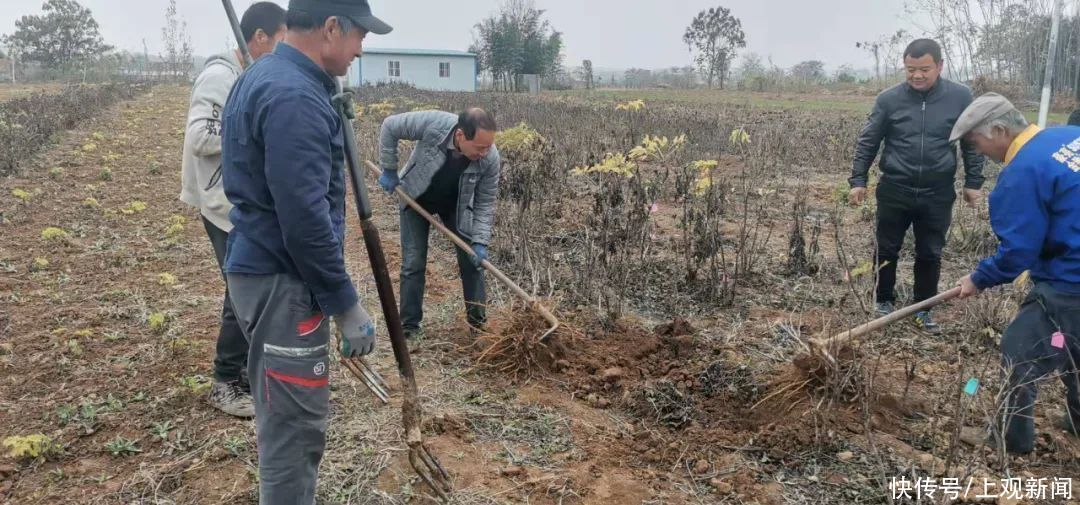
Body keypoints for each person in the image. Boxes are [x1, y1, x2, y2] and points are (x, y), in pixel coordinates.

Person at [219, 0, 391, 502]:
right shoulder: (293, 97)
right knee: (293, 432)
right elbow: (304, 219)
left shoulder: (268, 75)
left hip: (261, 268)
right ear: (331, 28)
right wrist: (345, 303)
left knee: (285, 417)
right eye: (360, 35)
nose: (361, 48)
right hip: (281, 280)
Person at [951, 93, 1080, 454]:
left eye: (975, 141)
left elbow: (1018, 252)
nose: (977, 151)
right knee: (1073, 349)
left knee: (1021, 353)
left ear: (998, 129)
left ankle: (1011, 441)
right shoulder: (1068, 137)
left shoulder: (1022, 172)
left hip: (1069, 283)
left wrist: (978, 278)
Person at [178, 1, 286, 418]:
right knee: (241, 289)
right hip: (219, 201)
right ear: (259, 38)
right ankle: (227, 381)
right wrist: (252, 127)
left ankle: (249, 369)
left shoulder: (247, 75)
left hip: (237, 198)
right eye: (279, 42)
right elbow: (200, 136)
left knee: (247, 285)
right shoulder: (220, 76)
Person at [849, 38, 986, 333]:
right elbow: (868, 141)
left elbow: (971, 143)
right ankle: (882, 301)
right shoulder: (889, 99)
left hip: (938, 191)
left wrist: (973, 182)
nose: (917, 75)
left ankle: (923, 309)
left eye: (924, 69)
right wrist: (858, 180)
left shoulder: (960, 97)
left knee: (930, 252)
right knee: (886, 248)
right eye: (910, 69)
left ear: (939, 66)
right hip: (895, 187)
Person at [377, 109, 500, 338]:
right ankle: (409, 328)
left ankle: (478, 325)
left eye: (488, 147)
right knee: (413, 263)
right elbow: (390, 125)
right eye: (480, 147)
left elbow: (485, 204)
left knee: (472, 263)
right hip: (415, 196)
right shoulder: (434, 124)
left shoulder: (490, 158)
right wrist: (389, 168)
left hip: (456, 205)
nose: (485, 153)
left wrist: (480, 241)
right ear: (461, 135)